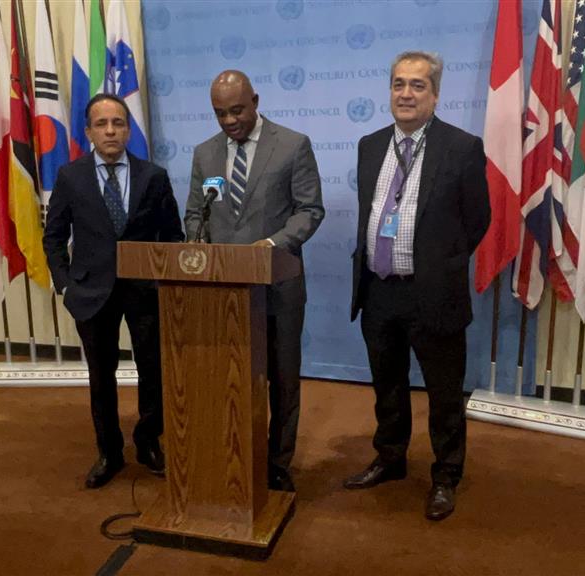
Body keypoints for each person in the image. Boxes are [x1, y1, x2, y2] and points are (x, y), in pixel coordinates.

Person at [345, 51, 490, 521]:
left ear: (435, 94)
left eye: (417, 85)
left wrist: (441, 264)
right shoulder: (370, 145)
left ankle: (446, 475)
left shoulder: (462, 147)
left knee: (444, 393)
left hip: (433, 292)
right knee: (387, 384)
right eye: (398, 84)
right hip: (379, 289)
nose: (406, 94)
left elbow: (478, 220)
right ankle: (390, 458)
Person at [184, 70, 324, 492]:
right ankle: (234, 455)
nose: (229, 121)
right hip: (223, 292)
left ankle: (278, 463)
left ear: (256, 101)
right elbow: (195, 213)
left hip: (278, 286)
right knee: (229, 378)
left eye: (237, 110)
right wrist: (196, 241)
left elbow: (309, 210)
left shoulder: (293, 145)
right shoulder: (205, 154)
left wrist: (272, 244)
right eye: (220, 113)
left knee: (282, 380)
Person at [43, 93, 185, 489]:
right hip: (91, 293)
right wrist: (65, 286)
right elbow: (53, 237)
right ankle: (109, 451)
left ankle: (148, 441)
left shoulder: (153, 176)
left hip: (145, 292)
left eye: (118, 123)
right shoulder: (70, 177)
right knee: (101, 376)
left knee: (153, 371)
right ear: (88, 132)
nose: (110, 131)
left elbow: (173, 236)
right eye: (101, 124)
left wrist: (164, 281)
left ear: (128, 129)